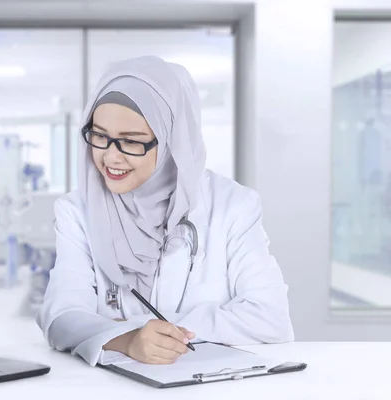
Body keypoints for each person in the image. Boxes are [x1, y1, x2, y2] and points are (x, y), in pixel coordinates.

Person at [36, 55, 294, 367]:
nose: (110, 157)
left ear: (174, 141)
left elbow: (271, 317)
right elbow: (60, 316)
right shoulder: (76, 212)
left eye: (131, 142)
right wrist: (129, 342)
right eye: (100, 136)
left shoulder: (233, 206)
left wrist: (145, 332)